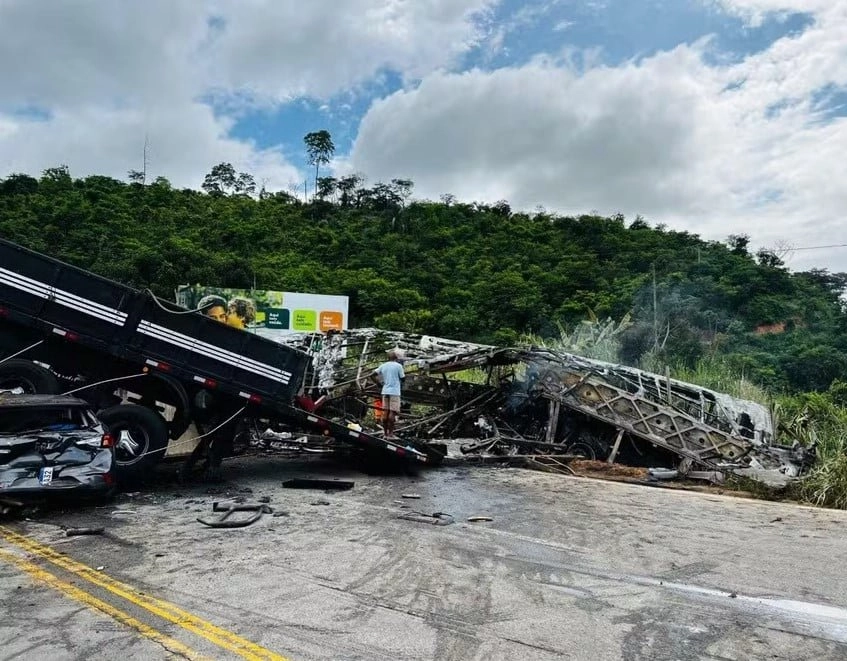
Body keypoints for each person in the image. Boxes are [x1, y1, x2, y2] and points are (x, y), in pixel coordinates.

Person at [373, 349, 404, 439]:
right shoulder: (398, 366)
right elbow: (403, 378)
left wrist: (378, 383)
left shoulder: (383, 366)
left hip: (385, 391)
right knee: (392, 412)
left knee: (385, 412)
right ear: (396, 358)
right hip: (394, 392)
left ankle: (385, 433)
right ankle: (391, 434)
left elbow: (373, 374)